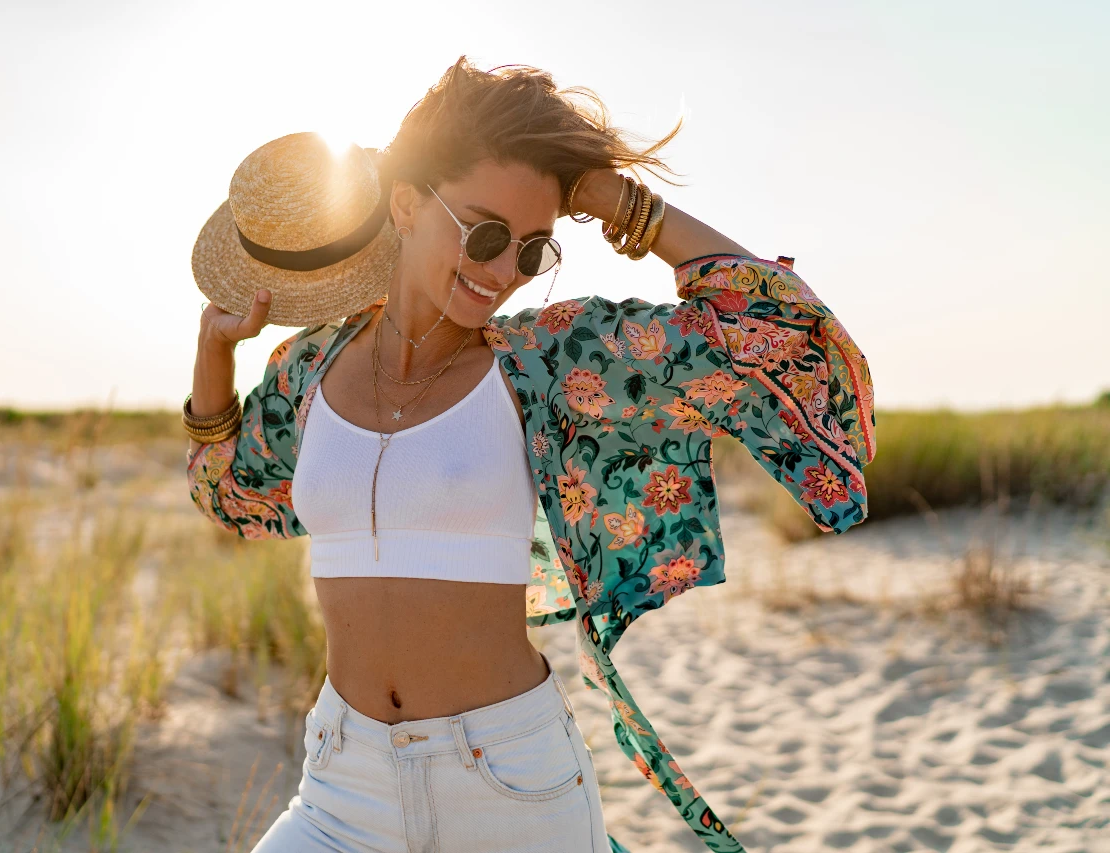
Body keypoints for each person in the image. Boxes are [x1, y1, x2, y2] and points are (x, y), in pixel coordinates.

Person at [185, 56, 875, 853]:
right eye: (483, 232)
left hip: (507, 785)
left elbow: (781, 338)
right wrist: (214, 357)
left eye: (533, 249)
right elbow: (228, 495)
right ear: (405, 204)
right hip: (344, 782)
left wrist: (617, 200)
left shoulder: (551, 361)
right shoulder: (309, 368)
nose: (502, 271)